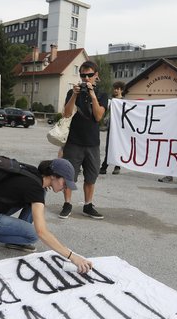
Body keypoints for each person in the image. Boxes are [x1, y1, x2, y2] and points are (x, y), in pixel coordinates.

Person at [0, 157, 94, 273]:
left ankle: (15, 239)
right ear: (54, 176)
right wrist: (73, 257)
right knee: (32, 235)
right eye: (65, 183)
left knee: (41, 196)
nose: (65, 188)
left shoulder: (36, 176)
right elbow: (42, 232)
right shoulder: (35, 188)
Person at [58, 61, 108, 220]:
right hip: (73, 141)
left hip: (92, 143)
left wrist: (92, 94)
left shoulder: (102, 94)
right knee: (69, 175)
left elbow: (98, 116)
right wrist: (74, 94)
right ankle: (67, 204)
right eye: (83, 75)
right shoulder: (72, 92)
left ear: (96, 75)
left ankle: (88, 205)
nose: (86, 78)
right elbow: (66, 113)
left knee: (91, 176)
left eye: (89, 75)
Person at [99, 80, 126, 176]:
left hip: (121, 129)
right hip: (111, 127)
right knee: (109, 146)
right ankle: (104, 166)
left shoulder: (125, 102)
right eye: (115, 88)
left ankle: (117, 166)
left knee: (119, 147)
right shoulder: (111, 101)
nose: (116, 90)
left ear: (121, 90)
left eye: (118, 89)